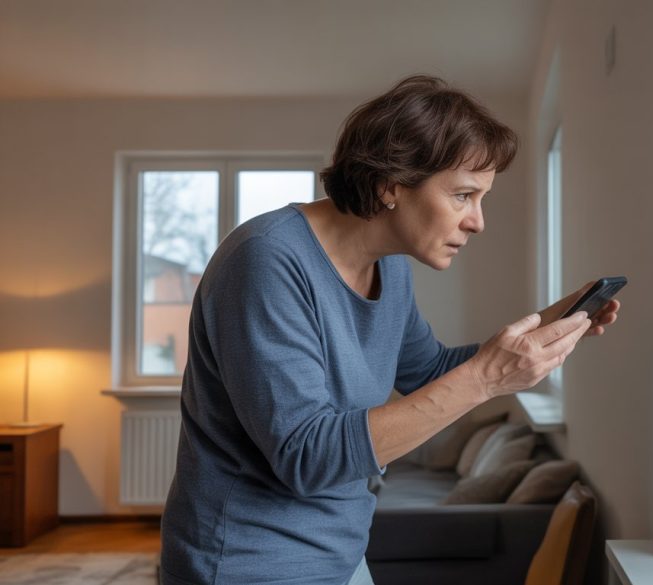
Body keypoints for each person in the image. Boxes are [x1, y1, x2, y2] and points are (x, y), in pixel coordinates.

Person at [159, 75, 620, 585]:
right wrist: (488, 378)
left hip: (342, 551)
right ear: (390, 184)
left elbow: (430, 373)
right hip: (250, 564)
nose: (478, 222)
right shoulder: (265, 261)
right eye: (464, 195)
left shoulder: (391, 267)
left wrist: (550, 328)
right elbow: (307, 456)